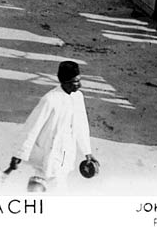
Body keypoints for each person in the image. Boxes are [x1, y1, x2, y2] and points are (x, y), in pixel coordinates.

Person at [10, 61, 98, 192]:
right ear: (65, 81)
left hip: (65, 152)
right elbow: (32, 126)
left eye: (79, 80)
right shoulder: (50, 99)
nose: (80, 85)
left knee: (50, 183)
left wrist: (87, 152)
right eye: (75, 81)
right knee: (56, 187)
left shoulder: (78, 97)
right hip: (48, 151)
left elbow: (81, 125)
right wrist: (19, 154)